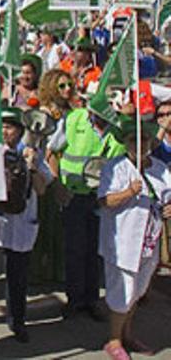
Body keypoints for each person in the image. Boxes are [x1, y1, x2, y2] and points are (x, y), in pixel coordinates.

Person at [0, 108, 52, 342]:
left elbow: (42, 188)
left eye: (10, 127)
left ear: (20, 130)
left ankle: (17, 320)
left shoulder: (32, 153)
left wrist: (33, 165)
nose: (6, 131)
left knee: (18, 276)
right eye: (2, 126)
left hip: (22, 222)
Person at [97, 118, 171, 359]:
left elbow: (167, 198)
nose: (139, 144)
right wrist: (128, 193)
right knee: (122, 292)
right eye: (132, 140)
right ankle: (114, 339)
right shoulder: (114, 167)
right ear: (125, 142)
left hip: (149, 241)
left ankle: (127, 334)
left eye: (143, 139)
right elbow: (105, 201)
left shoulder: (160, 168)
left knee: (137, 291)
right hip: (123, 242)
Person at [50, 97, 125, 320]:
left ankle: (92, 299)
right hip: (74, 196)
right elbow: (51, 151)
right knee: (75, 249)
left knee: (96, 250)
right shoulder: (73, 120)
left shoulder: (118, 127)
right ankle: (74, 299)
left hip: (102, 199)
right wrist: (58, 185)